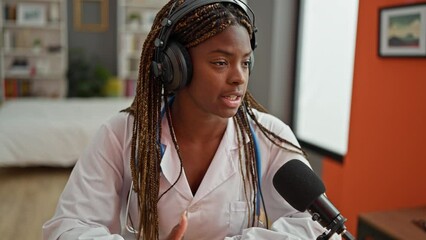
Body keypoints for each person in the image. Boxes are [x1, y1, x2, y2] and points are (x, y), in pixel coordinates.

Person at [43, 0, 341, 239]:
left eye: (246, 62)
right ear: (175, 66)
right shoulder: (121, 133)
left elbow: (313, 225)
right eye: (221, 62)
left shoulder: (269, 135)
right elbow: (68, 227)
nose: (239, 77)